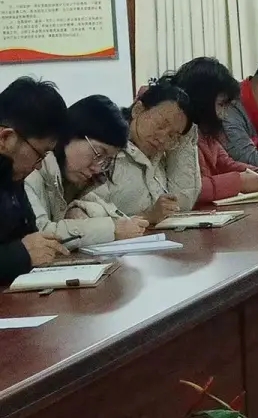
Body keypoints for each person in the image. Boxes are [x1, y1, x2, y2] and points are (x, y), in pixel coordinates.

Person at [26, 95, 149, 249]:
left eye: (107, 161)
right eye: (98, 153)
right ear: (71, 133)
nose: (97, 168)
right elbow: (41, 235)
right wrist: (112, 230)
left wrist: (80, 210)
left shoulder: (75, 182)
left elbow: (109, 212)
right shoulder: (30, 173)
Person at [94, 79, 200, 226]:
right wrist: (148, 216)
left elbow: (182, 204)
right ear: (137, 110)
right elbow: (87, 219)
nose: (162, 138)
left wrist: (184, 138)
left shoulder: (158, 157)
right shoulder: (104, 150)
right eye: (160, 125)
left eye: (172, 136)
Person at [170, 57, 258, 205]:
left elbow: (225, 163)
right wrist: (239, 183)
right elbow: (188, 189)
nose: (224, 114)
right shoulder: (176, 134)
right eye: (221, 104)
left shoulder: (206, 132)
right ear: (202, 101)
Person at [0, 77, 68, 285]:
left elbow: (27, 234)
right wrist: (20, 255)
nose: (38, 166)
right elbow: (22, 249)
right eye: (40, 154)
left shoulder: (9, 173)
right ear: (6, 138)